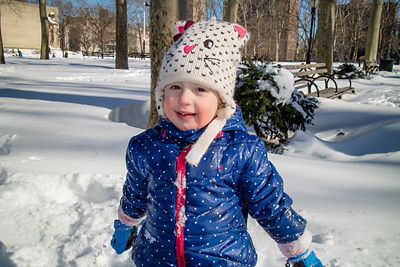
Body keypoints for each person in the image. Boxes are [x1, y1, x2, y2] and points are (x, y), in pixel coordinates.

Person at [111, 19, 324, 267]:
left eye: (200, 89)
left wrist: (298, 251)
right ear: (161, 94)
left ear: (221, 99)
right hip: (157, 259)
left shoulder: (241, 150)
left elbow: (270, 206)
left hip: (223, 260)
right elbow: (135, 193)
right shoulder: (146, 146)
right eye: (175, 87)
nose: (184, 100)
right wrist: (126, 224)